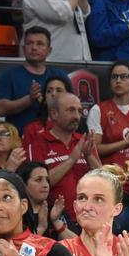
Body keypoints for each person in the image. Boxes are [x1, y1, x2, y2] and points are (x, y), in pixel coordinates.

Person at [24, 93, 101, 221]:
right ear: (54, 114)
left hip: (90, 219)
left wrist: (89, 157)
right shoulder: (38, 143)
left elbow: (105, 182)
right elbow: (36, 186)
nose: (77, 116)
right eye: (71, 110)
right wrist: (71, 160)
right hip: (54, 221)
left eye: (79, 111)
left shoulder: (85, 141)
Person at [0, 28, 70, 135]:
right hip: (19, 141)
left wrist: (47, 103)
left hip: (55, 141)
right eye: (29, 43)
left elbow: (71, 106)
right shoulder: (9, 75)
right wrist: (29, 99)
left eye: (40, 44)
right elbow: (1, 109)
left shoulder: (60, 76)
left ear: (49, 50)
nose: (34, 48)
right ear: (23, 48)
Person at [17, 161, 77, 241]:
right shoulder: (17, 214)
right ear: (23, 184)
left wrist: (56, 222)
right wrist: (41, 228)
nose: (45, 185)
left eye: (47, 180)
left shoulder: (56, 209)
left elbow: (77, 246)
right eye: (38, 180)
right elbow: (20, 250)